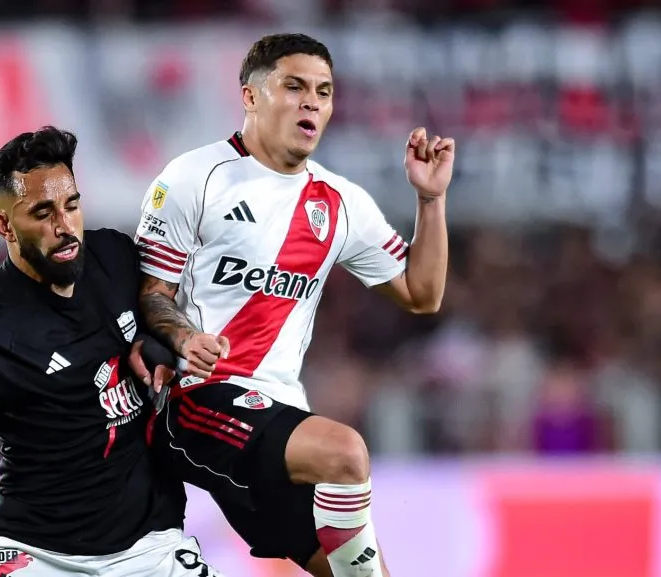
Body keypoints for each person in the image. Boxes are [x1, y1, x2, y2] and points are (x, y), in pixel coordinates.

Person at [134, 33, 453, 577]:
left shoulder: (340, 202)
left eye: (324, 92)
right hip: (194, 400)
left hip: (276, 417)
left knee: (353, 573)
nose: (312, 102)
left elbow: (422, 295)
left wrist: (430, 198)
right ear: (251, 97)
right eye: (295, 86)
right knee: (346, 453)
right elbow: (149, 295)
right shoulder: (195, 178)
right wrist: (186, 338)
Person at [0, 126, 222, 577]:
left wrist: (161, 346)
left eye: (71, 205)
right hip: (32, 554)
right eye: (43, 213)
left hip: (149, 548)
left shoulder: (116, 258)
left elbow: (165, 314)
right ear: (4, 226)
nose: (64, 226)